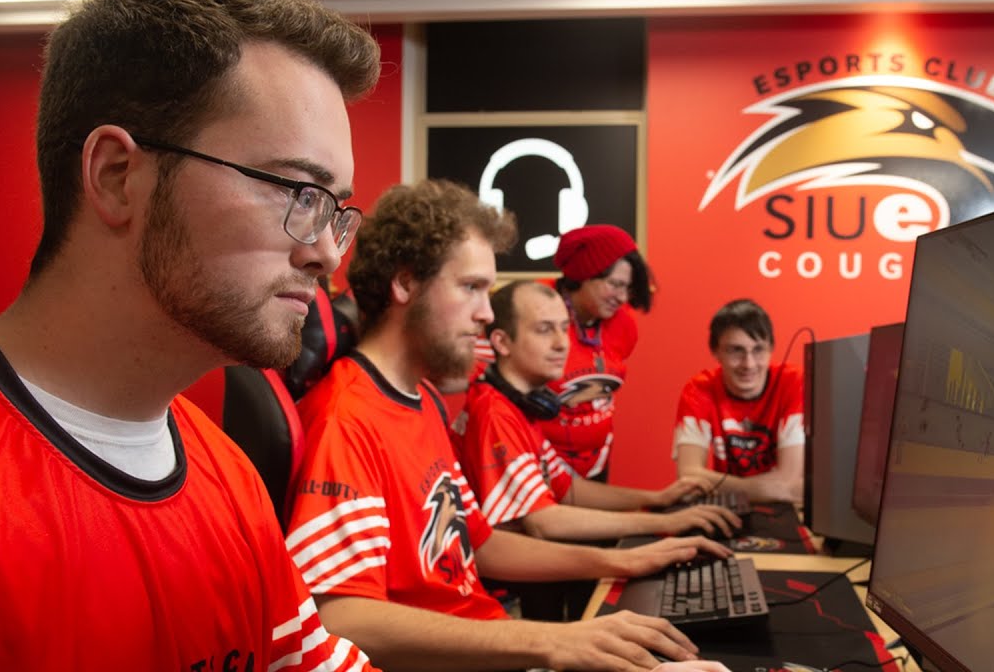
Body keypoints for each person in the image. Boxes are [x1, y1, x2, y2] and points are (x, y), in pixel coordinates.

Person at [0, 0, 379, 670]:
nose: (325, 253)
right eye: (299, 193)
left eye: (336, 212)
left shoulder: (227, 476)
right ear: (116, 176)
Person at [285, 179, 733, 672]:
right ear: (406, 284)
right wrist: (553, 641)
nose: (485, 313)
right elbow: (338, 617)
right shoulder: (346, 419)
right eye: (471, 288)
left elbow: (481, 543)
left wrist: (625, 560)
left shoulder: (423, 399)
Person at [457, 281, 741, 621]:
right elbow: (545, 522)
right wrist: (665, 522)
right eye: (544, 330)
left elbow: (569, 489)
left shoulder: (520, 407)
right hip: (497, 603)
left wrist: (656, 498)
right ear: (502, 342)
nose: (562, 343)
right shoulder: (495, 414)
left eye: (564, 328)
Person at [542, 224, 654, 482]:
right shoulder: (535, 310)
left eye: (627, 288)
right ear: (584, 274)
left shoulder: (624, 326)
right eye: (615, 284)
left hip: (595, 467)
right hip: (539, 467)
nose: (622, 297)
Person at [672, 299, 804, 503]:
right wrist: (776, 489)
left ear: (771, 349)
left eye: (758, 350)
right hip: (731, 507)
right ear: (715, 351)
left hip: (782, 509)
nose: (748, 364)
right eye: (736, 350)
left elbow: (790, 480)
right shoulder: (699, 390)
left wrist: (719, 486)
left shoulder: (793, 383)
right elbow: (688, 476)